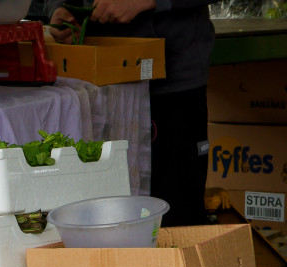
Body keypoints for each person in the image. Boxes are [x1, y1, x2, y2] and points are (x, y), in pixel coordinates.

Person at [48, 0, 214, 226]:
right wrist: (59, 10)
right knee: (101, 214)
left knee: (177, 215)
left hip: (172, 83)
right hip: (93, 86)